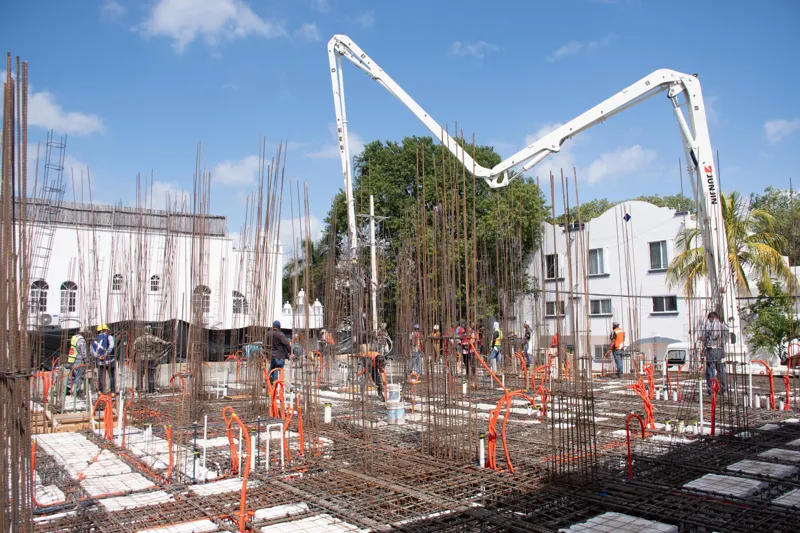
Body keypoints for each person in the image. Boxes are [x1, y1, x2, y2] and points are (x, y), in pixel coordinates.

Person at [133, 325, 171, 393]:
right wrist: (170, 343)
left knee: (140, 374)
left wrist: (134, 358)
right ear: (150, 330)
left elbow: (134, 349)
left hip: (140, 358)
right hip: (150, 358)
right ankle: (151, 389)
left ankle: (139, 389)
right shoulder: (153, 338)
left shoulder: (138, 339)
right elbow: (164, 343)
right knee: (150, 374)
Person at [703, 311, 729, 395]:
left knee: (710, 370)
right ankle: (724, 389)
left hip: (711, 349)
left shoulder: (709, 325)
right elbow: (727, 335)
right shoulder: (723, 325)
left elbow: (704, 335)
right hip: (720, 349)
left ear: (711, 318)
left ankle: (712, 389)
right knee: (721, 369)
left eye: (709, 319)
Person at [264, 320, 292, 387]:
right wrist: (291, 352)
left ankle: (269, 386)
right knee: (277, 372)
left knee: (271, 371)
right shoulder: (281, 334)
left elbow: (264, 345)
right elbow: (286, 344)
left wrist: (265, 354)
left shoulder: (268, 334)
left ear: (272, 326)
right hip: (280, 356)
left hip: (272, 356)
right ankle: (274, 387)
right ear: (279, 327)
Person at [91, 324, 116, 394]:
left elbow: (92, 351)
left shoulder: (95, 339)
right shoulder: (109, 337)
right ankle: (112, 391)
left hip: (100, 361)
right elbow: (111, 346)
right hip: (109, 360)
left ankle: (100, 391)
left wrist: (98, 356)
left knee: (101, 376)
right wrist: (106, 354)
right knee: (111, 376)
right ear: (105, 330)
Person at [66, 327, 88, 397]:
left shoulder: (74, 338)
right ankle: (76, 392)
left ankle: (67, 390)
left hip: (71, 359)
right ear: (84, 332)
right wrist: (86, 359)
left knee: (72, 375)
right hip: (78, 359)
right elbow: (83, 351)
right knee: (78, 375)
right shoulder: (81, 340)